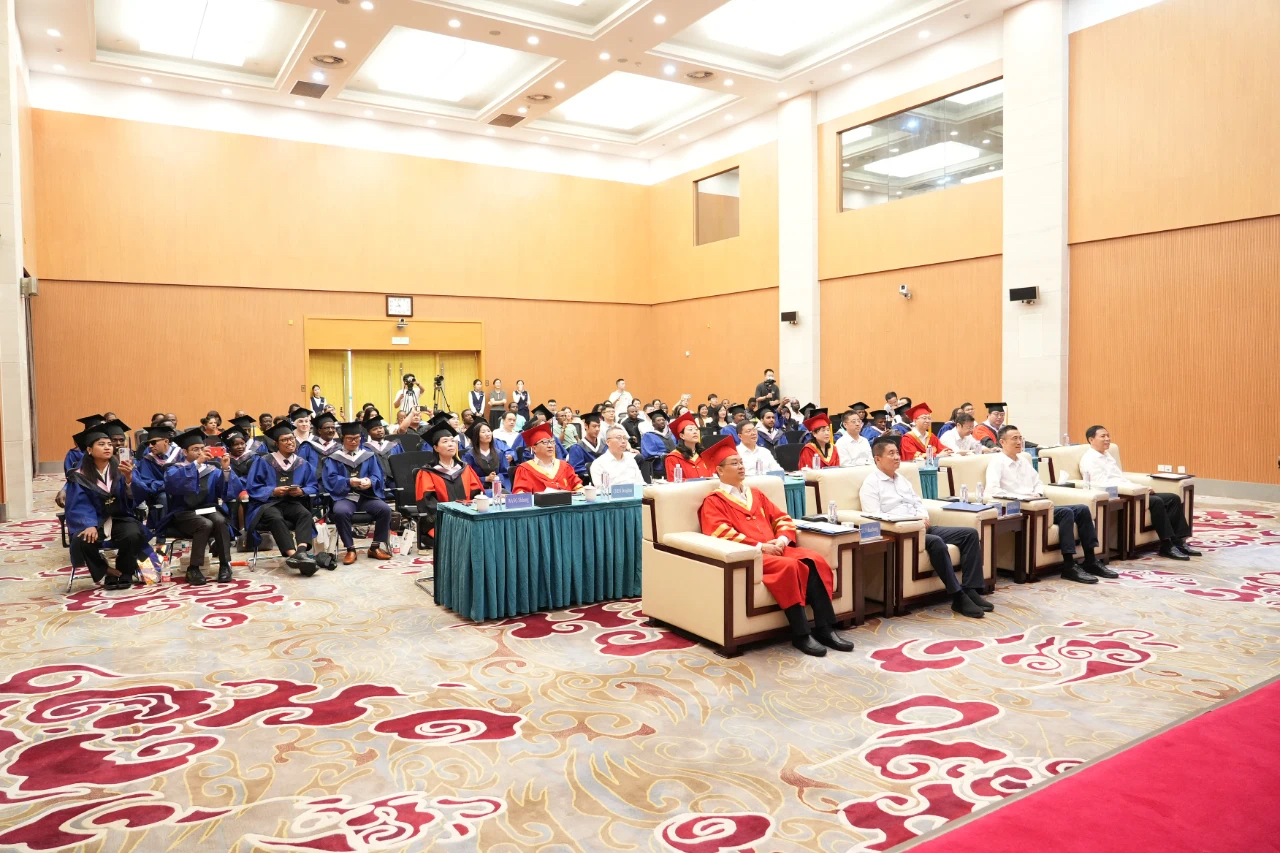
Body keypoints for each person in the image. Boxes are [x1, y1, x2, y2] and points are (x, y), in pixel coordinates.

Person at [698, 437, 851, 656]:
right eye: (734, 463)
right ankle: (801, 634)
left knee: (814, 559)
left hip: (777, 549)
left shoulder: (755, 494)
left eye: (741, 462)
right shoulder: (714, 501)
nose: (741, 466)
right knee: (790, 567)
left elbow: (781, 518)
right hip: (751, 555)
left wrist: (782, 540)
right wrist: (761, 546)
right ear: (720, 470)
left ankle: (825, 628)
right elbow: (720, 533)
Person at [860, 436, 990, 618]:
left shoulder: (902, 479)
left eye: (897, 452)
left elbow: (918, 502)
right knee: (936, 542)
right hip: (905, 533)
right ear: (878, 459)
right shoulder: (871, 484)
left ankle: (971, 589)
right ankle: (958, 596)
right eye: (891, 453)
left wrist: (924, 516)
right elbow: (875, 516)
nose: (897, 457)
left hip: (922, 527)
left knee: (969, 534)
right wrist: (913, 522)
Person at [985, 425, 1109, 583]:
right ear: (1002, 442)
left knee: (1082, 509)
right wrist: (1023, 497)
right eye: (1014, 439)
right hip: (1022, 507)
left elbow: (1038, 483)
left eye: (1020, 438)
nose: (1019, 442)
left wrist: (1037, 493)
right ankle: (1069, 566)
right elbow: (993, 490)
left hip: (1040, 503)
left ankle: (1091, 560)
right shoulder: (997, 463)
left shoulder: (1023, 460)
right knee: (1066, 513)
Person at [1080, 425, 1200, 560]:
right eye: (1103, 436)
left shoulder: (1107, 455)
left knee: (1173, 498)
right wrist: (1138, 490)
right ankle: (1166, 545)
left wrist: (1142, 487)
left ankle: (1179, 542)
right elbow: (1102, 484)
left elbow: (1121, 478)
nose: (1107, 439)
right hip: (1120, 494)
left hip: (1132, 490)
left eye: (1108, 435)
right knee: (1156, 501)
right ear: (1091, 440)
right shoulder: (1089, 459)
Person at [65, 423, 147, 590]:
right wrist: (88, 524)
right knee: (83, 540)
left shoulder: (122, 469)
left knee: (132, 534)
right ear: (89, 450)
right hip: (95, 520)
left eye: (109, 444)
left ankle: (125, 571)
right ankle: (106, 570)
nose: (108, 447)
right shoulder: (79, 476)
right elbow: (78, 504)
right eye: (101, 444)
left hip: (119, 517)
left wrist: (129, 479)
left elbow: (137, 496)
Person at [161, 428, 235, 585]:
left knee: (220, 520)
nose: (200, 452)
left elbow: (225, 492)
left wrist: (225, 469)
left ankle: (225, 565)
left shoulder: (212, 470)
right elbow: (174, 486)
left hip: (208, 509)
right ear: (185, 452)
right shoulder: (174, 469)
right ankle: (193, 569)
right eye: (195, 449)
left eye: (202, 448)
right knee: (204, 524)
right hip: (183, 512)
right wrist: (196, 464)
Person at [244, 423, 319, 574]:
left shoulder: (302, 463)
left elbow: (313, 486)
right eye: (284, 440)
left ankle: (301, 552)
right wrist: (273, 491)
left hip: (291, 502)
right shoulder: (264, 461)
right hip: (268, 504)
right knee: (276, 518)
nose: (290, 442)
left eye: (291, 439)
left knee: (305, 514)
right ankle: (293, 555)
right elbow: (252, 487)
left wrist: (301, 491)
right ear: (276, 443)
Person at [322, 421, 394, 564]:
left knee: (385, 509)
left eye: (357, 438)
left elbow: (377, 475)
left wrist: (370, 482)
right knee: (341, 512)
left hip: (366, 496)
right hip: (345, 497)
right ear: (342, 438)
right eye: (350, 438)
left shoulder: (368, 456)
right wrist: (348, 482)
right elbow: (330, 479)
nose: (354, 441)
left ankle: (375, 547)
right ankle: (350, 549)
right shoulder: (333, 458)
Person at [415, 420, 485, 547]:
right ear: (436, 448)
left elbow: (477, 493)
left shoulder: (465, 469)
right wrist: (450, 518)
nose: (451, 444)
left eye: (452, 441)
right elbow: (427, 503)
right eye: (445, 441)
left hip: (469, 518)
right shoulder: (427, 472)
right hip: (443, 522)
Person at [512, 421, 584, 493]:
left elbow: (578, 488)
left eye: (552, 442)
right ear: (534, 448)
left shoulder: (565, 466)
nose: (550, 446)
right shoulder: (524, 469)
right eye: (545, 442)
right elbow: (520, 495)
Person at [361, 413, 404, 490]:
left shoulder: (394, 445)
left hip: (395, 480)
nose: (379, 430)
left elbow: (402, 463)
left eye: (380, 428)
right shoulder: (365, 448)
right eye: (375, 429)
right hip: (376, 482)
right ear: (369, 433)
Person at [464, 420, 510, 493]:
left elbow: (505, 473)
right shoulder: (469, 455)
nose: (487, 434)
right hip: (479, 490)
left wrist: (497, 477)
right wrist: (485, 479)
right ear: (477, 435)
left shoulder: (499, 453)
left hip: (498, 488)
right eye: (483, 432)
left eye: (489, 431)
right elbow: (467, 476)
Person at [665, 412, 710, 480]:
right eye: (690, 429)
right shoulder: (673, 458)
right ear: (682, 436)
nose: (695, 432)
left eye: (696, 429)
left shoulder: (703, 455)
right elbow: (674, 481)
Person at [568, 413, 607, 484]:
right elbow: (577, 469)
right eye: (594, 426)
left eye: (599, 426)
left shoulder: (604, 444)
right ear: (586, 426)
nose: (597, 429)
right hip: (587, 483)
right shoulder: (577, 448)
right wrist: (595, 472)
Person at [639, 409, 676, 473]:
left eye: (663, 420)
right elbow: (649, 453)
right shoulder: (648, 436)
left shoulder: (671, 434)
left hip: (676, 462)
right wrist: (665, 455)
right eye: (658, 420)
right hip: (660, 464)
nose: (662, 422)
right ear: (653, 423)